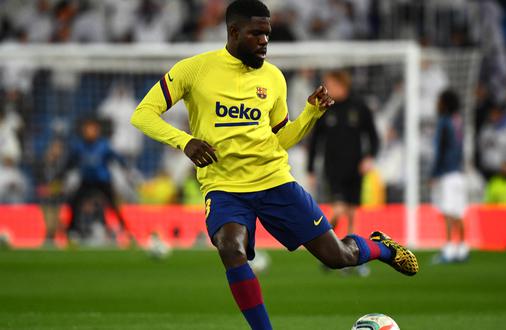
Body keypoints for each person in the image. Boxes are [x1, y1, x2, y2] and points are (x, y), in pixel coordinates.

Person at [130, 1, 418, 329]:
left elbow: (280, 139)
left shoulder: (273, 78)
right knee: (230, 246)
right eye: (256, 34)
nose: (264, 41)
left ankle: (380, 248)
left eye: (267, 34)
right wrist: (185, 141)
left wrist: (310, 113)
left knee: (338, 257)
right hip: (224, 187)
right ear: (234, 32)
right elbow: (143, 114)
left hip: (273, 180)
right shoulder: (194, 70)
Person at [307, 70, 379, 240]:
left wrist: (370, 157)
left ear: (342, 85)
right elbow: (315, 140)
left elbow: (373, 136)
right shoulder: (324, 110)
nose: (327, 89)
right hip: (333, 168)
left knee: (353, 211)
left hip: (355, 168)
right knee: (339, 209)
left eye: (330, 85)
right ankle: (321, 240)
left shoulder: (359, 107)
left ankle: (351, 252)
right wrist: (310, 169)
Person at [58, 117, 129, 241]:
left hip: (102, 181)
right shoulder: (79, 146)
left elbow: (116, 157)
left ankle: (125, 229)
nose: (89, 132)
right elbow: (70, 163)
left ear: (97, 131)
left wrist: (124, 166)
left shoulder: (104, 145)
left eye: (92, 129)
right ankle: (72, 231)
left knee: (113, 205)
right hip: (86, 181)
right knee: (74, 203)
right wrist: (60, 175)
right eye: (87, 129)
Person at [430, 89, 469, 263]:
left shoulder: (444, 122)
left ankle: (447, 249)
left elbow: (440, 150)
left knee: (447, 212)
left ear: (444, 103)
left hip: (447, 173)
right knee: (459, 212)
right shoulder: (458, 121)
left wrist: (434, 173)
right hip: (459, 172)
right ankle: (461, 248)